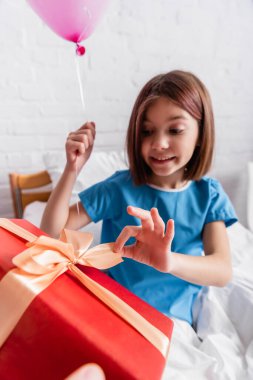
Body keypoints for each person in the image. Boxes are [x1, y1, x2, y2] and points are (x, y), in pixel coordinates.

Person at [41, 70, 237, 326]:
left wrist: (168, 262)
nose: (159, 143)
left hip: (170, 323)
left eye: (175, 130)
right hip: (112, 310)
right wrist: (72, 169)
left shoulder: (208, 195)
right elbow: (50, 231)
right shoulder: (119, 188)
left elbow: (222, 271)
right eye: (147, 131)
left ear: (201, 134)